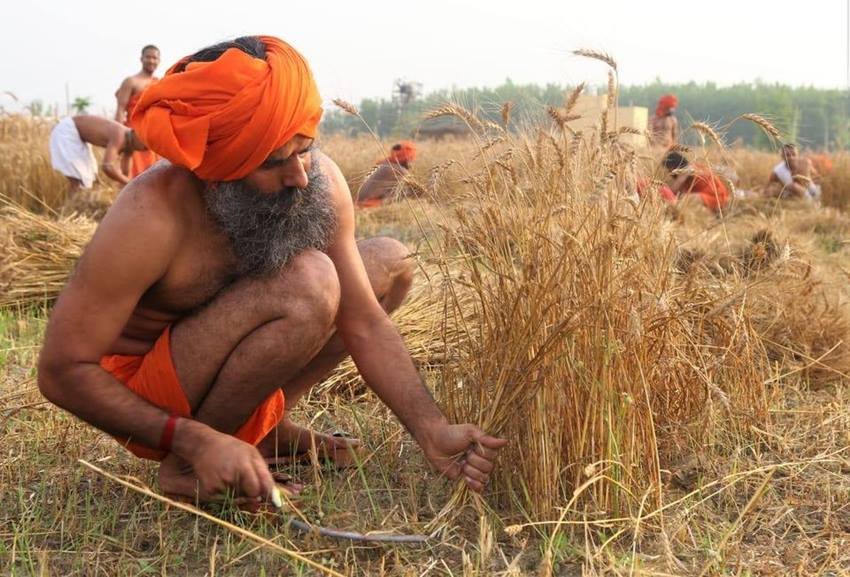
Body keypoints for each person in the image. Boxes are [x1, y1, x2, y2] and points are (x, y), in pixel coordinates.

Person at [38, 36, 506, 506]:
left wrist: (432, 429)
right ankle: (187, 467)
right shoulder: (151, 213)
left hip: (232, 356)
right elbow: (61, 371)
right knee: (310, 282)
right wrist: (190, 439)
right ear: (214, 168)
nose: (300, 177)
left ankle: (263, 428)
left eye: (305, 149)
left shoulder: (315, 182)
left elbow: (362, 320)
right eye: (272, 162)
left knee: (390, 261)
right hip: (151, 396)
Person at [49, 115, 149, 192]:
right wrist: (129, 183)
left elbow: (125, 171)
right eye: (146, 143)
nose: (147, 148)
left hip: (78, 137)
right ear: (136, 133)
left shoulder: (131, 144)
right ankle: (70, 211)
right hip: (67, 131)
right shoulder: (120, 135)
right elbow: (107, 166)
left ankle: (77, 208)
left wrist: (125, 186)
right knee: (79, 179)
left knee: (90, 177)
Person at [115, 45, 161, 178]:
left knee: (155, 178)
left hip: (153, 137)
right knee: (132, 177)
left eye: (155, 58)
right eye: (148, 57)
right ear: (141, 59)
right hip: (134, 136)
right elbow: (120, 109)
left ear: (159, 60)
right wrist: (120, 138)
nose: (151, 61)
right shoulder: (131, 82)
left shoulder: (159, 83)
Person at [662, 151, 730, 212]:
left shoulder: (689, 171)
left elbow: (674, 190)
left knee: (689, 198)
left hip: (718, 199)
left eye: (669, 169)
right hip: (710, 199)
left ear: (673, 166)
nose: (669, 172)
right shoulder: (686, 174)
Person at [356, 141, 418, 208]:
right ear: (408, 157)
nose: (412, 161)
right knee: (406, 193)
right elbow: (399, 194)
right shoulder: (400, 171)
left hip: (359, 202)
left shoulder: (382, 163)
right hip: (370, 204)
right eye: (412, 158)